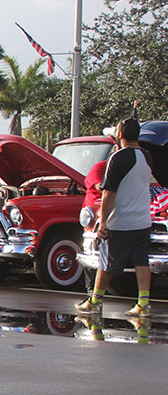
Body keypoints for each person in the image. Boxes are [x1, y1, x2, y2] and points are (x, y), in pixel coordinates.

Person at [75, 118, 154, 317]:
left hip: (121, 221)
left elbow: (108, 193)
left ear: (120, 134)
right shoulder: (147, 156)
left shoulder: (117, 158)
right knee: (142, 263)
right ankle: (143, 304)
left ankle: (95, 301)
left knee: (107, 262)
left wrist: (103, 222)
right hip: (143, 220)